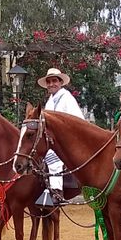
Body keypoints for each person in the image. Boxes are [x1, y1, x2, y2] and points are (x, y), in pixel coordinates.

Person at [36, 68, 85, 207]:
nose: (51, 84)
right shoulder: (51, 100)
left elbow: (77, 120)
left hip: (69, 139)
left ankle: (57, 192)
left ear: (60, 82)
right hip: (54, 140)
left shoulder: (67, 98)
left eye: (54, 81)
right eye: (49, 82)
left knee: (53, 158)